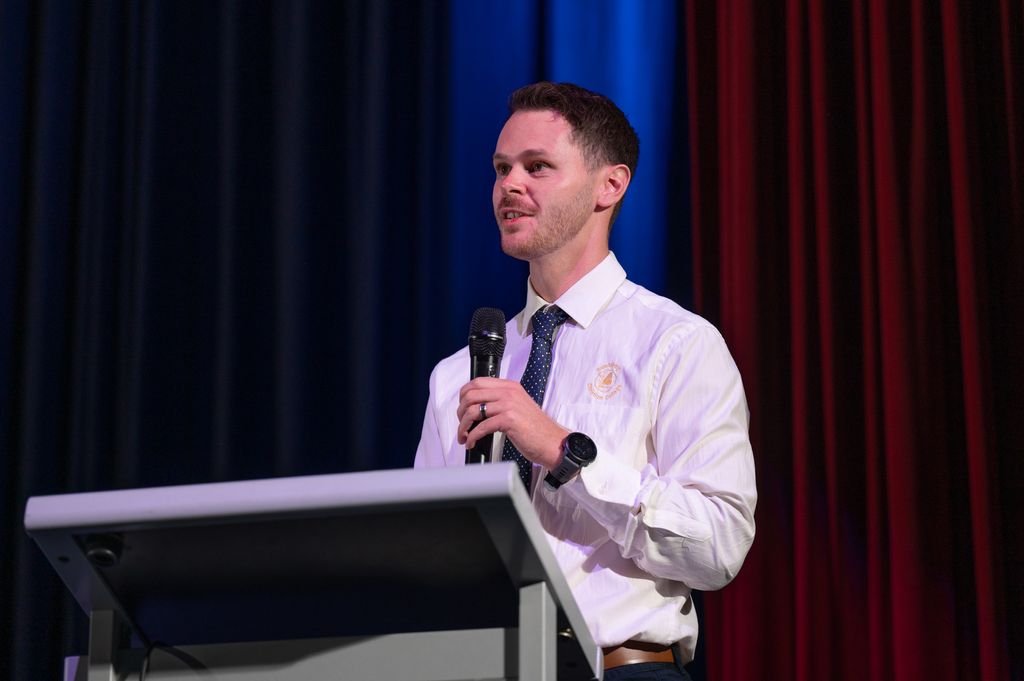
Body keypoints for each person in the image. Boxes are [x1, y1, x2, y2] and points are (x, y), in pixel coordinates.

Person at [414, 82, 756, 680]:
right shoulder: (456, 375)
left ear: (610, 185)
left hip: (622, 669)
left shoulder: (675, 344)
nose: (509, 186)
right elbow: (425, 558)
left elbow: (717, 547)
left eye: (537, 167)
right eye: (501, 168)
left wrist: (565, 454)